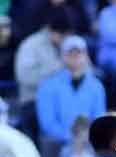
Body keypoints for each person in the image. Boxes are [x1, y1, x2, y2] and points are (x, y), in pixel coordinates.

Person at [36, 35, 107, 157]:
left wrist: (85, 138)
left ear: (85, 55)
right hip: (60, 141)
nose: (75, 57)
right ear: (62, 56)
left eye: (79, 53)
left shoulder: (96, 86)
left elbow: (99, 118)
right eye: (70, 53)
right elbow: (47, 123)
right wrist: (72, 139)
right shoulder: (48, 85)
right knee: (52, 144)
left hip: (87, 140)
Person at [14, 9, 71, 138]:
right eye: (61, 36)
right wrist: (53, 75)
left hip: (65, 99)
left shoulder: (71, 45)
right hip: (34, 99)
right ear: (51, 30)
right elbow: (23, 76)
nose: (63, 40)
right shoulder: (31, 45)